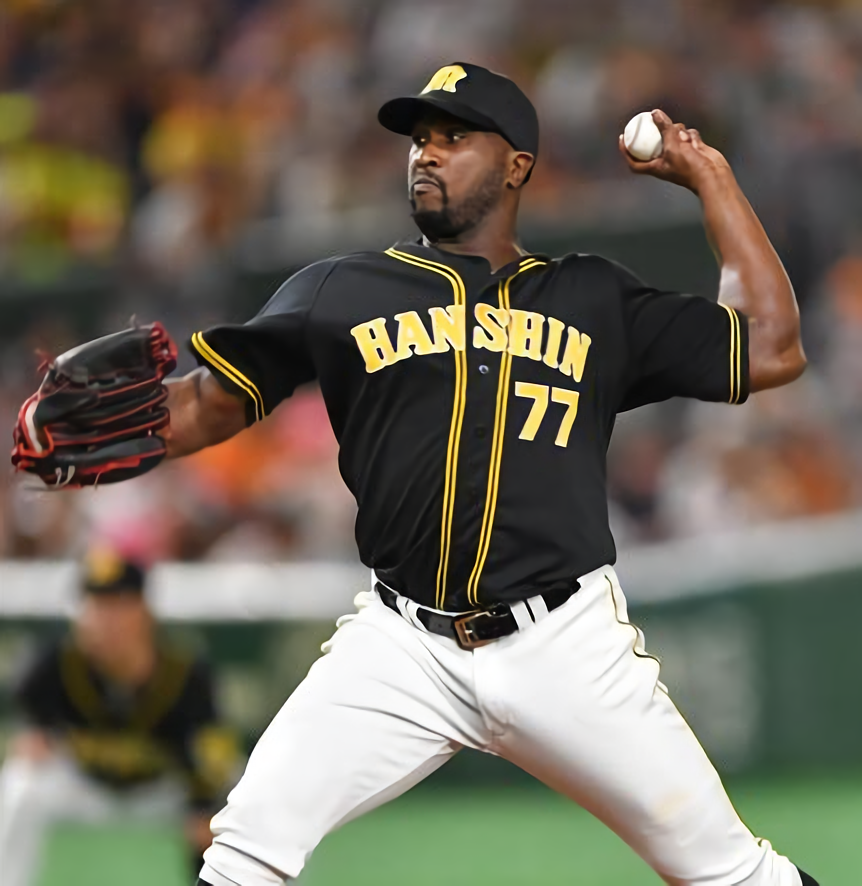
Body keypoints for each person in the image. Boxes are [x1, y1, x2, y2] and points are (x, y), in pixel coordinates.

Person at [87, 62, 816, 885]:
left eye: (455, 136)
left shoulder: (592, 298)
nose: (426, 153)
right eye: (420, 139)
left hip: (563, 642)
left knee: (731, 873)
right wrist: (109, 433)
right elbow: (209, 401)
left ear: (517, 165)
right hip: (402, 644)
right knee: (244, 850)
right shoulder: (343, 288)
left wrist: (710, 177)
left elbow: (771, 346)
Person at [0, 548, 238, 886]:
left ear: (144, 612)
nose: (103, 620)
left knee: (242, 794)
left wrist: (205, 807)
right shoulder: (56, 666)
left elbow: (211, 762)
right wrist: (31, 736)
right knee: (21, 783)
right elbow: (30, 725)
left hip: (160, 792)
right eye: (95, 606)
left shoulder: (184, 676)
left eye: (117, 606)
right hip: (87, 789)